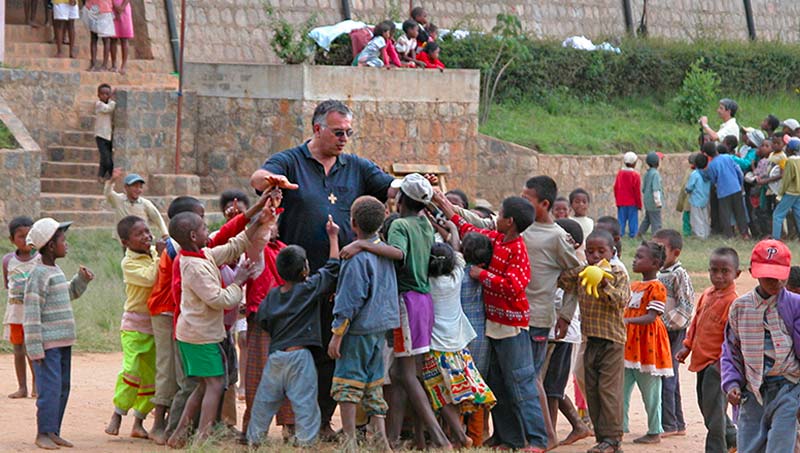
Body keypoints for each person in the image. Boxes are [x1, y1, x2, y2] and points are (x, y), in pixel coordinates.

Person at [250, 100, 394, 438]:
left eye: (349, 132)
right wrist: (272, 180)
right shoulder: (291, 160)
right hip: (300, 281)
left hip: (343, 281)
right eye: (338, 132)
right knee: (301, 351)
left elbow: (389, 186)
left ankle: (323, 422)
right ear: (318, 129)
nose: (345, 138)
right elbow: (258, 177)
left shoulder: (356, 166)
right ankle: (293, 424)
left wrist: (416, 185)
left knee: (333, 351)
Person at [341, 173, 451, 448]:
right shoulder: (424, 223)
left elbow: (399, 254)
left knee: (404, 374)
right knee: (404, 373)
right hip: (424, 302)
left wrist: (363, 244)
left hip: (407, 302)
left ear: (402, 199)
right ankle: (392, 437)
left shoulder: (400, 225)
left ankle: (440, 439)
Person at [443, 194, 545, 451]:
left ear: (509, 221)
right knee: (498, 382)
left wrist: (483, 275)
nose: (495, 219)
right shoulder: (499, 239)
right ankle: (508, 438)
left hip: (511, 327)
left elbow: (515, 285)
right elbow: (467, 227)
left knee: (521, 382)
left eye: (499, 215)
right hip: (496, 325)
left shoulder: (517, 250)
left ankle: (537, 440)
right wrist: (440, 202)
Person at [165, 207, 272, 448]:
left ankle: (180, 434)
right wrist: (238, 281)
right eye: (203, 228)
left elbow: (234, 246)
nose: (208, 231)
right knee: (215, 383)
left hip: (195, 333)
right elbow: (219, 300)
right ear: (193, 236)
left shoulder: (201, 255)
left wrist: (257, 222)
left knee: (204, 385)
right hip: (200, 336)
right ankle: (203, 437)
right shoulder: (194, 266)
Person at [247, 217, 340, 447]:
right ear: (305, 270)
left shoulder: (273, 295)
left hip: (276, 356)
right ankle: (306, 443)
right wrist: (333, 237)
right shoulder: (308, 289)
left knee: (264, 402)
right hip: (301, 357)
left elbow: (264, 320)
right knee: (305, 403)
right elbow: (332, 267)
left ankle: (254, 440)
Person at [327, 196, 397, 450]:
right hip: (381, 327)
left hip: (358, 330)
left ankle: (350, 442)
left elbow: (349, 299)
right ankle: (381, 441)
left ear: (353, 222)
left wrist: (337, 333)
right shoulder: (384, 250)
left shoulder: (355, 256)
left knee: (348, 382)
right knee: (374, 382)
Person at [722, 240, 800, 453]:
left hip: (788, 388)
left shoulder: (795, 304)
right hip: (752, 392)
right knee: (749, 448)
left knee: (780, 447)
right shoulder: (740, 307)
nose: (774, 282)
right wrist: (731, 384)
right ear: (752, 272)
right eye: (768, 276)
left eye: (779, 276)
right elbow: (730, 350)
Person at [23, 218, 94, 449]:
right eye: (63, 240)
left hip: (63, 342)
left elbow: (67, 294)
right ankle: (42, 432)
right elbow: (31, 314)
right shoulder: (38, 275)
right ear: (51, 246)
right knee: (49, 390)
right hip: (47, 345)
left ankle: (53, 430)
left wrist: (81, 281)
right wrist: (34, 348)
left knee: (63, 387)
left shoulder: (54, 269)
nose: (67, 244)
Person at [559, 230, 631, 453]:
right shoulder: (584, 272)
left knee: (609, 391)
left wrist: (602, 282)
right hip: (590, 339)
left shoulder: (618, 273)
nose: (595, 256)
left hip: (612, 341)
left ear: (612, 252)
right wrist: (582, 267)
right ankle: (602, 438)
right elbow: (563, 280)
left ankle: (613, 439)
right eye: (590, 252)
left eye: (601, 252)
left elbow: (620, 301)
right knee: (593, 390)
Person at [422, 239, 496, 448]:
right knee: (456, 393)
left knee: (441, 396)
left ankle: (455, 436)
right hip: (458, 347)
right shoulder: (457, 277)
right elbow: (459, 256)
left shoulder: (426, 282)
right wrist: (453, 231)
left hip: (435, 350)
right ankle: (463, 436)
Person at [676, 247, 740, 453]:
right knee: (706, 407)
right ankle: (734, 438)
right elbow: (696, 323)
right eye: (714, 270)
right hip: (701, 360)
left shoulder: (733, 302)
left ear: (736, 274)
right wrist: (687, 347)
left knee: (714, 414)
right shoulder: (707, 294)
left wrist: (725, 364)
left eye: (725, 271)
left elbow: (732, 338)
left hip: (718, 364)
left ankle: (716, 449)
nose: (718, 276)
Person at [105, 216, 162, 438]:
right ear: (125, 242)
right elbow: (150, 278)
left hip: (154, 325)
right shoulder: (128, 263)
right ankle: (118, 412)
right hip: (134, 326)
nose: (146, 236)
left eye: (147, 231)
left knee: (151, 376)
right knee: (132, 370)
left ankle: (139, 421)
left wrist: (158, 254)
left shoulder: (153, 254)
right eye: (139, 234)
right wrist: (160, 255)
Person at [546, 218, 592, 447]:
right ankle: (577, 425)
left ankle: (550, 434)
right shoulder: (557, 261)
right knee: (551, 384)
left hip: (565, 333)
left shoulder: (572, 267)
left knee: (553, 387)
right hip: (556, 331)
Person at [623, 241, 673, 444]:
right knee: (621, 389)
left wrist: (626, 321)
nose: (635, 260)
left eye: (639, 257)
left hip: (648, 346)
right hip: (630, 346)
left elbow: (652, 316)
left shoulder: (657, 287)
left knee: (651, 392)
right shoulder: (634, 286)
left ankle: (654, 430)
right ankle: (619, 426)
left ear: (654, 263)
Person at [651, 229, 694, 439]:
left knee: (667, 376)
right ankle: (676, 422)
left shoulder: (679, 274)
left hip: (674, 332)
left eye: (661, 249)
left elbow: (685, 307)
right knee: (666, 376)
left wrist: (663, 323)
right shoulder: (658, 273)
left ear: (675, 253)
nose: (656, 254)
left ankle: (669, 424)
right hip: (660, 332)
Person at [458, 232, 493, 446]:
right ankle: (477, 436)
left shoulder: (456, 275)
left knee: (459, 386)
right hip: (481, 336)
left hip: (459, 337)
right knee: (478, 385)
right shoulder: (484, 275)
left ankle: (458, 434)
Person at [3, 216, 39, 399]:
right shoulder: (8, 260)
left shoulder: (40, 259)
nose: (25, 240)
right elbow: (8, 285)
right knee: (18, 349)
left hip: (34, 314)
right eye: (21, 236)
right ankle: (22, 387)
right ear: (12, 239)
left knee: (33, 349)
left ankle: (36, 386)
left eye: (29, 235)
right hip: (15, 314)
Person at [104, 169, 168, 240]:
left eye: (140, 187)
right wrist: (111, 181)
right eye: (135, 186)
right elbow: (108, 193)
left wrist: (165, 233)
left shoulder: (145, 203)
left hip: (142, 239)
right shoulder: (119, 200)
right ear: (126, 187)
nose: (138, 189)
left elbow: (157, 218)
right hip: (126, 238)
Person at [703, 143, 749, 238]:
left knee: (725, 214)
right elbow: (738, 171)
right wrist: (740, 184)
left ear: (706, 154)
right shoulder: (728, 157)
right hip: (736, 188)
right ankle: (744, 233)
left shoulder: (711, 165)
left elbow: (713, 180)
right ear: (716, 149)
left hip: (723, 192)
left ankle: (729, 235)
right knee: (740, 212)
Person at [772, 138, 800, 240]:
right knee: (798, 214)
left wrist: (780, 194)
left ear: (790, 149)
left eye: (787, 146)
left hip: (790, 192)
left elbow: (786, 179)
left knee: (777, 215)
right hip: (798, 192)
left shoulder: (790, 161)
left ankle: (776, 239)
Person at [614, 152, 642, 238]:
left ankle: (619, 234)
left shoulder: (620, 174)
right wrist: (639, 204)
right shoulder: (635, 175)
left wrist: (617, 200)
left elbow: (616, 187)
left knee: (621, 220)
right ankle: (633, 234)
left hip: (621, 202)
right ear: (634, 163)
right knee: (633, 220)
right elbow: (637, 191)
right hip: (632, 202)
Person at [81, 0, 114, 71]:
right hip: (92, 8)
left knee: (105, 38)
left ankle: (104, 65)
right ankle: (93, 63)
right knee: (93, 37)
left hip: (104, 8)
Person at [686, 154, 711, 239]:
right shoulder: (707, 174)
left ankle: (700, 235)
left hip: (696, 200)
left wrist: (687, 191)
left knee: (697, 219)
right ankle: (706, 233)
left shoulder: (695, 174)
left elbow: (689, 187)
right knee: (705, 218)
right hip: (705, 199)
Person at [638, 152, 663, 237]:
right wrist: (658, 202)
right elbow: (656, 189)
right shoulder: (655, 174)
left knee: (647, 219)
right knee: (656, 222)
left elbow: (644, 189)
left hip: (647, 201)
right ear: (657, 163)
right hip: (654, 203)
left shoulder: (647, 173)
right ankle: (657, 236)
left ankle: (640, 233)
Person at [94, 84, 115, 182]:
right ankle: (108, 175)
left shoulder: (109, 103)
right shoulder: (99, 104)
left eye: (107, 94)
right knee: (106, 157)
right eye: (102, 94)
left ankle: (102, 175)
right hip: (101, 135)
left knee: (107, 157)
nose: (105, 96)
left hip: (109, 135)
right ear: (98, 95)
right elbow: (107, 109)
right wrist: (113, 101)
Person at [110, 0, 133, 74]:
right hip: (112, 9)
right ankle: (114, 64)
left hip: (124, 8)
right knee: (113, 38)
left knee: (124, 38)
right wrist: (115, 6)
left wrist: (122, 7)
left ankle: (124, 65)